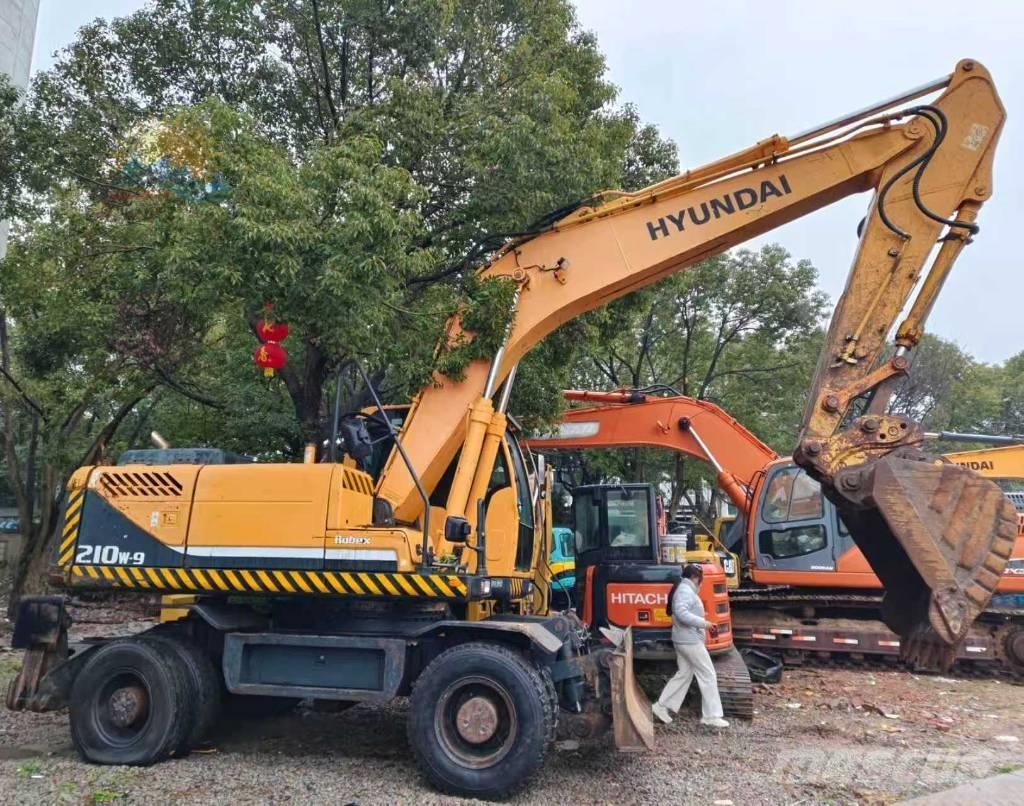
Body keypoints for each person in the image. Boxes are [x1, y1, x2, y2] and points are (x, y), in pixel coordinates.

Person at [652, 563, 729, 728]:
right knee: (708, 674)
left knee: (684, 674)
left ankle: (661, 706)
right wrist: (705, 623)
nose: (701, 584)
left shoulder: (682, 589)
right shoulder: (685, 591)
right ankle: (711, 716)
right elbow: (681, 612)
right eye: (700, 580)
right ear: (695, 578)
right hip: (690, 640)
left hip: (683, 639)